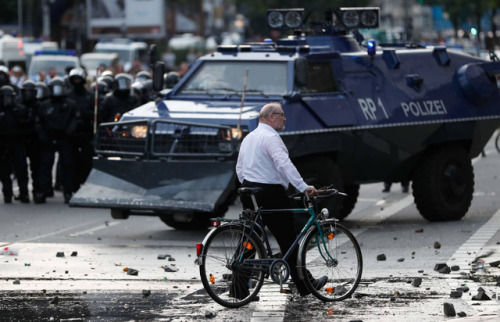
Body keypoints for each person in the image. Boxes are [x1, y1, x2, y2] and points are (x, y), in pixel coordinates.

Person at [235, 102, 325, 299]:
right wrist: (303, 187)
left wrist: (249, 187)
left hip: (249, 191)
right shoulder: (271, 138)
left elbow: (239, 168)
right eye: (281, 115)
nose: (285, 118)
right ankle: (305, 285)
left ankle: (238, 287)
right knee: (288, 240)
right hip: (270, 193)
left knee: (249, 238)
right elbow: (285, 164)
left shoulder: (249, 138)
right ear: (270, 117)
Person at [35, 77, 81, 203]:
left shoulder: (70, 104)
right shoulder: (45, 105)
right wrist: (43, 135)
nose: (57, 92)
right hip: (49, 138)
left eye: (59, 89)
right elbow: (39, 122)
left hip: (65, 138)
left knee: (67, 165)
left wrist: (70, 131)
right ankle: (43, 191)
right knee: (45, 165)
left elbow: (76, 119)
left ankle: (67, 192)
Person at [0, 85, 29, 203]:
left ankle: (24, 193)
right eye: (4, 98)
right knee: (4, 171)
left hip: (18, 144)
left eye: (9, 98)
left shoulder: (20, 109)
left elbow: (27, 126)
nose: (7, 100)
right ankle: (7, 194)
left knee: (21, 169)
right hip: (2, 145)